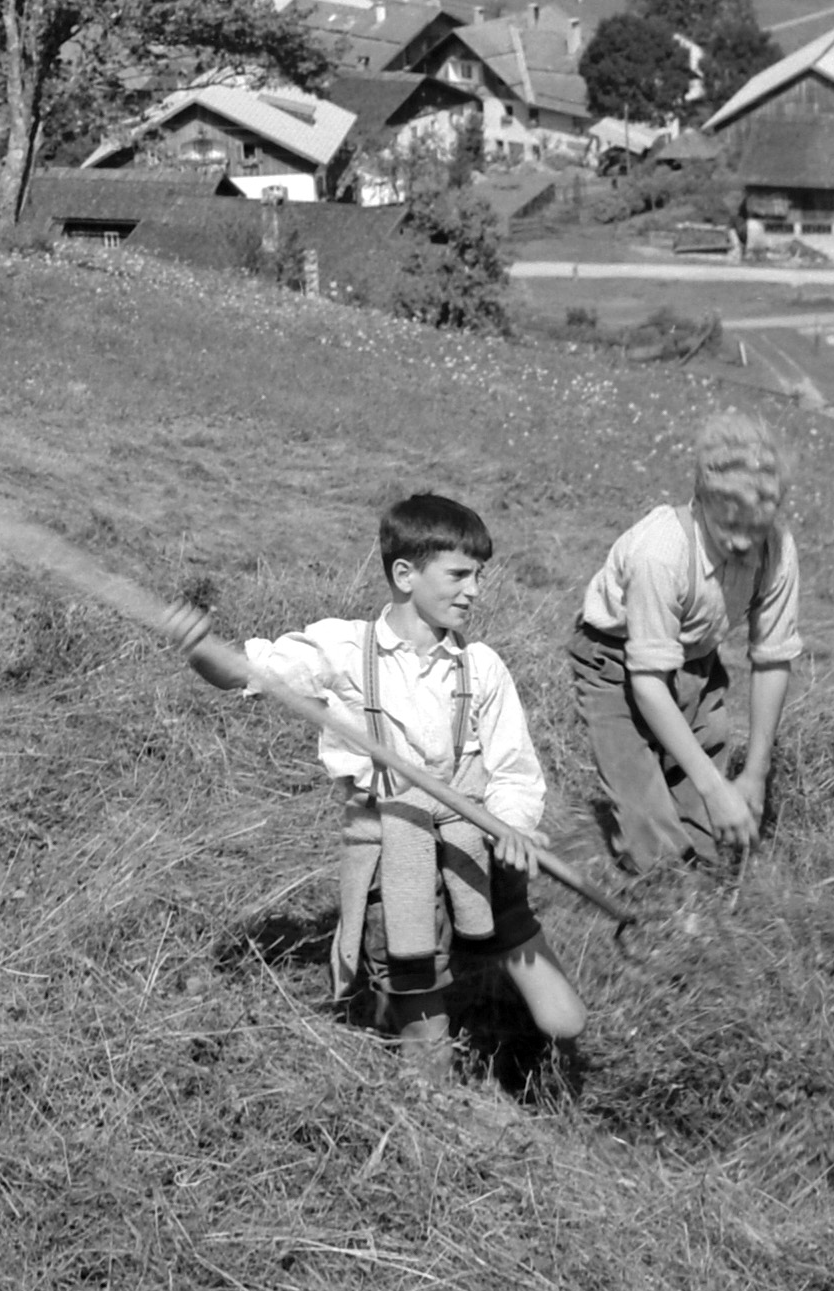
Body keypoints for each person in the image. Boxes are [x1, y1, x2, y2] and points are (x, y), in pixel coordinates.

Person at [183, 489, 587, 1064]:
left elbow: (517, 773)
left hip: (477, 851)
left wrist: (513, 827)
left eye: (478, 576)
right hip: (396, 859)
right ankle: (407, 1022)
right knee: (431, 1051)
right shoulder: (344, 650)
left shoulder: (483, 667)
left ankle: (462, 976)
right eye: (459, 575)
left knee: (564, 1021)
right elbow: (247, 672)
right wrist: (200, 649)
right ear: (405, 574)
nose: (473, 590)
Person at [568, 408, 801, 876]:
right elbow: (649, 684)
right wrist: (719, 787)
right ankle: (664, 899)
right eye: (727, 529)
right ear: (699, 502)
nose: (741, 544)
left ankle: (705, 889)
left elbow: (772, 660)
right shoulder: (662, 553)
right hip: (616, 663)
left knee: (708, 822)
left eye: (753, 531)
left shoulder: (776, 550)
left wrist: (754, 773)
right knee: (650, 827)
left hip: (695, 659)